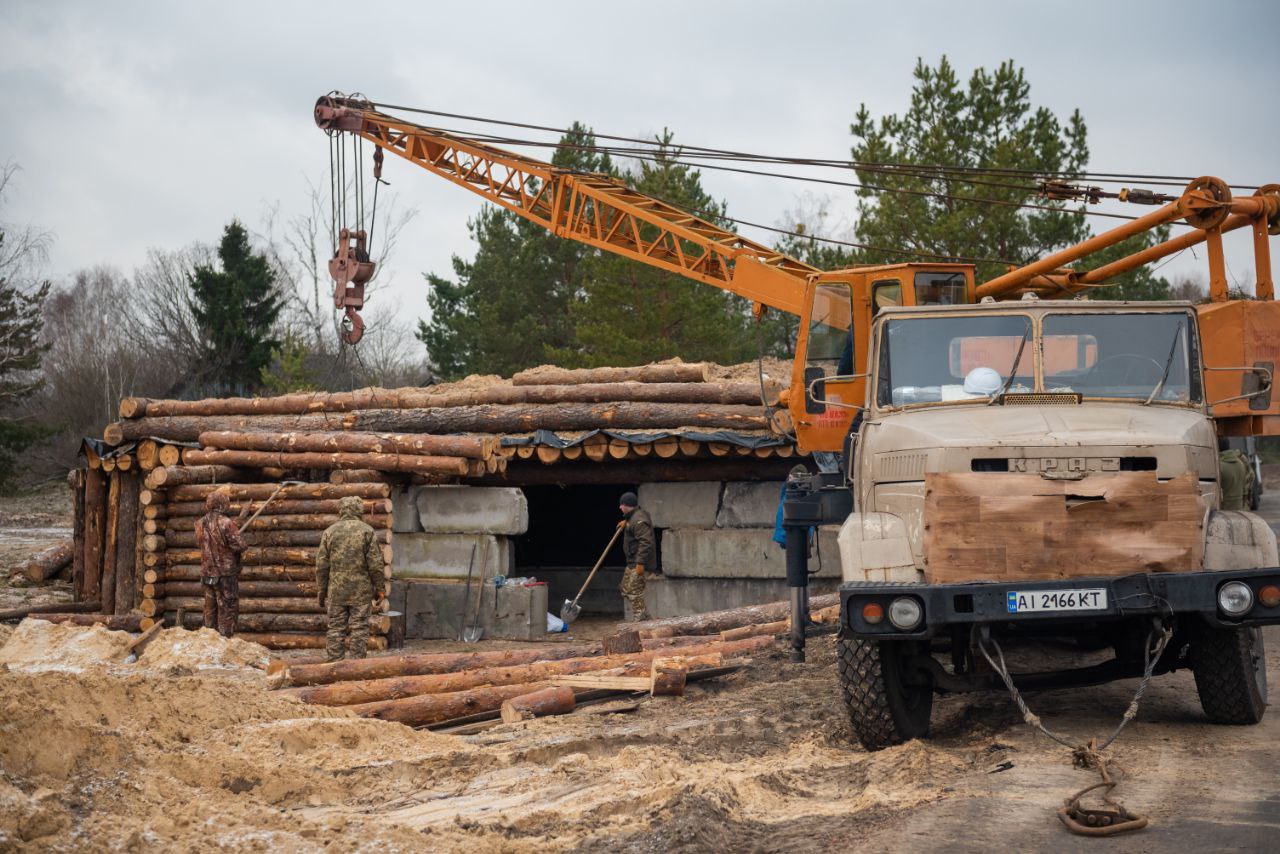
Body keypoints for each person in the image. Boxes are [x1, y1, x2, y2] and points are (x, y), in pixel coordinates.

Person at [316, 496, 385, 661]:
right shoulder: (367, 531)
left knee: (335, 629)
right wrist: (380, 588)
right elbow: (375, 565)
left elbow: (321, 566)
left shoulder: (330, 532)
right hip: (360, 592)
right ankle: (356, 669)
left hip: (336, 591)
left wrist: (322, 590)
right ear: (359, 510)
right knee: (359, 629)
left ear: (341, 510)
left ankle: (334, 667)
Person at [195, 490, 247, 638]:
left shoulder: (199, 524)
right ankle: (225, 641)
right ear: (222, 504)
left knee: (209, 608)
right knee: (227, 607)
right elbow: (240, 545)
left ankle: (208, 639)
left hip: (206, 573)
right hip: (225, 574)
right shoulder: (226, 523)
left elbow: (200, 543)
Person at [618, 491, 654, 622]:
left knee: (634, 591)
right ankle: (646, 617)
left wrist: (640, 563)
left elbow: (646, 542)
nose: (620, 507)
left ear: (627, 505)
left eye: (622, 505)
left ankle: (640, 620)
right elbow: (633, 523)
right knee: (625, 588)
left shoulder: (639, 520)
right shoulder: (633, 518)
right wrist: (627, 524)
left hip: (638, 563)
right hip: (631, 562)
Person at [1218, 437, 1253, 511]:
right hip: (1240, 509)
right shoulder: (1240, 464)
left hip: (1224, 511)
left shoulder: (1219, 466)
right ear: (1229, 446)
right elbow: (1246, 486)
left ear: (1217, 447)